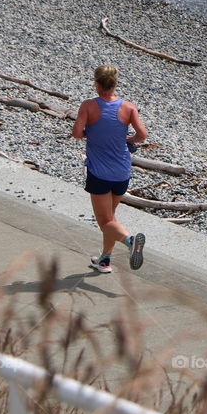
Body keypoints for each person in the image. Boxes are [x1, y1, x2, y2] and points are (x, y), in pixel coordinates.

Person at [71, 65, 148, 273]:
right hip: (122, 171)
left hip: (99, 172)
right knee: (110, 218)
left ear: (97, 84)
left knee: (105, 221)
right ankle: (105, 259)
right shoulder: (128, 107)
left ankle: (131, 241)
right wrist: (129, 138)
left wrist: (91, 133)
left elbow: (77, 133)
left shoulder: (88, 105)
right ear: (114, 84)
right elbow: (142, 134)